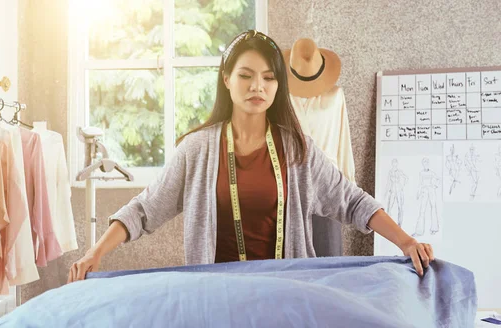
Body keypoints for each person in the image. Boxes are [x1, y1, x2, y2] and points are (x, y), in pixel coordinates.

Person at [68, 30, 434, 283]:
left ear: (279, 85)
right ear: (226, 78)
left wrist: (406, 242)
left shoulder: (297, 150)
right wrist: (95, 254)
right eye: (245, 75)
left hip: (286, 294)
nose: (258, 86)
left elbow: (353, 202)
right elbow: (144, 210)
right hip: (216, 298)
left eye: (268, 78)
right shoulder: (196, 150)